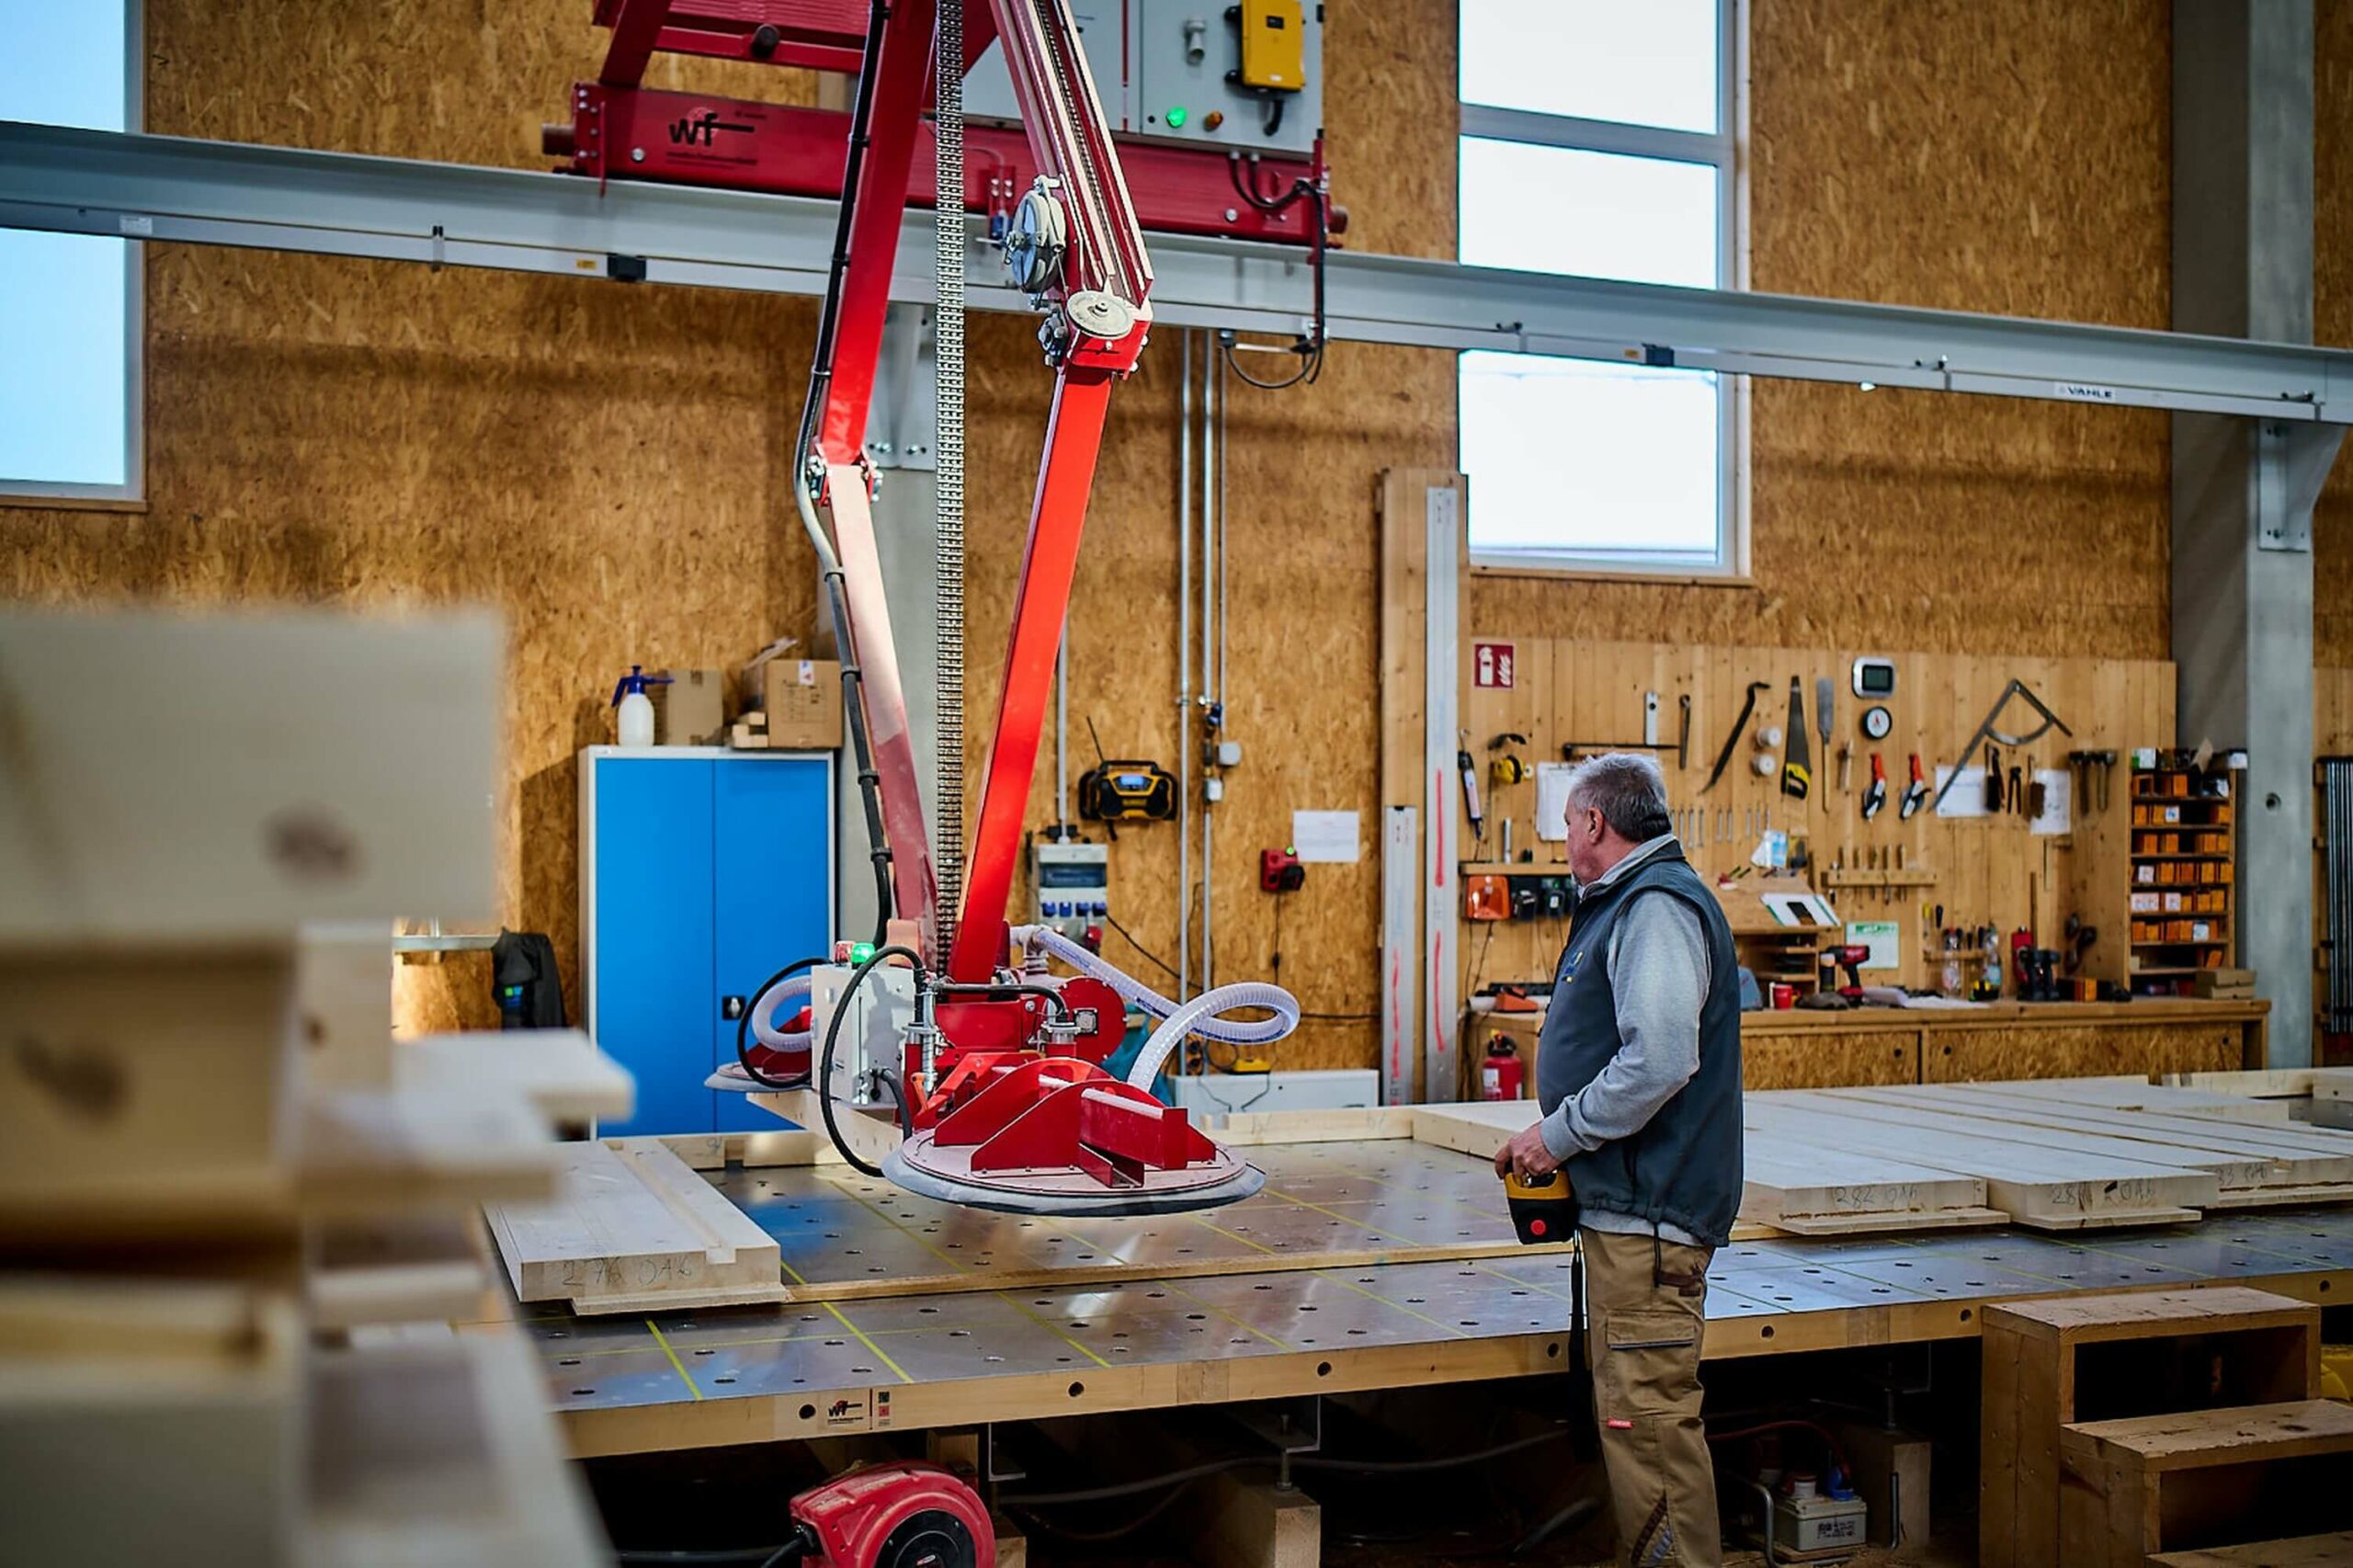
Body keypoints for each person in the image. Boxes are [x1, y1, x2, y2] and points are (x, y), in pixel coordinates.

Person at [1493, 751, 1742, 1566]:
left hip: (1652, 1221)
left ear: (1596, 822)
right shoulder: (1629, 904)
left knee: (1653, 1428)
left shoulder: (1657, 908)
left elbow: (1660, 1061)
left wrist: (1555, 1134)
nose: (1564, 840)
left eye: (1567, 823)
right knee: (1636, 1422)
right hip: (1632, 1213)